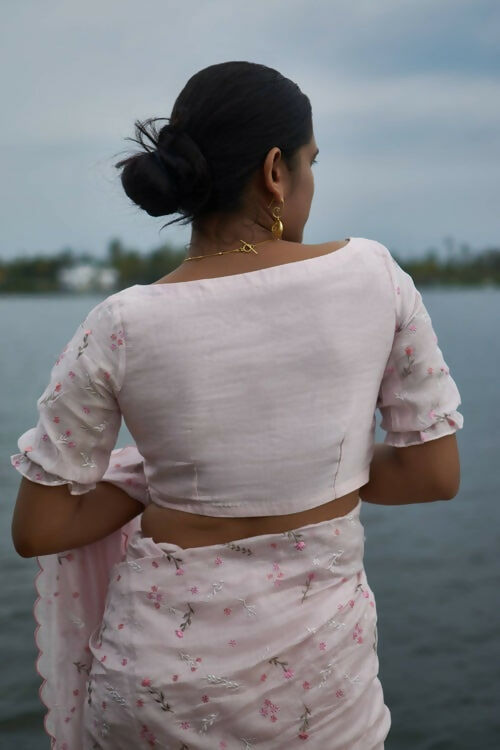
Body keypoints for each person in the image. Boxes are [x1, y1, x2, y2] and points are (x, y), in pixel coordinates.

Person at [10, 61, 463, 749]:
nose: (311, 181)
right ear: (276, 171)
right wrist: (306, 465)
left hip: (152, 701)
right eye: (312, 162)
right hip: (323, 703)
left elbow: (39, 528)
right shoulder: (375, 279)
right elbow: (431, 474)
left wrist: (151, 479)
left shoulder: (121, 324)